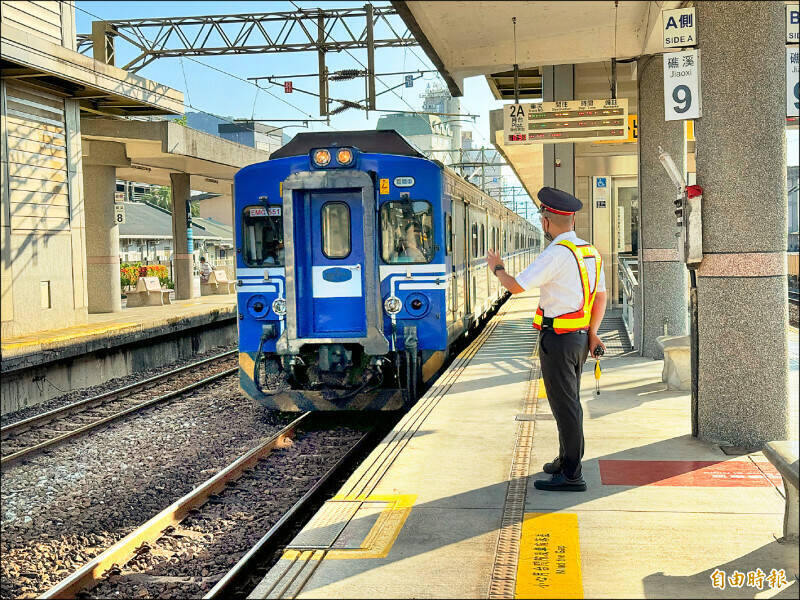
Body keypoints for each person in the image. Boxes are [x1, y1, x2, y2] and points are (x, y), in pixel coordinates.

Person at [487, 186, 607, 493]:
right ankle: (566, 458)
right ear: (572, 219)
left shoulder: (556, 253)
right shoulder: (589, 252)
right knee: (568, 403)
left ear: (545, 221)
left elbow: (516, 286)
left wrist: (498, 269)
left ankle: (571, 474)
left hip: (559, 342)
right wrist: (593, 334)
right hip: (579, 340)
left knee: (565, 406)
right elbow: (601, 297)